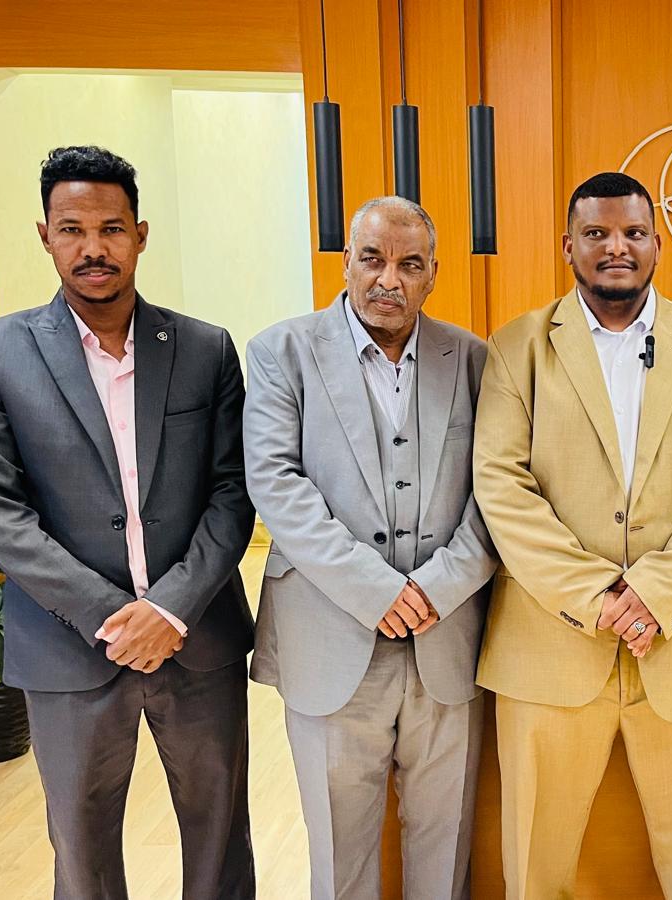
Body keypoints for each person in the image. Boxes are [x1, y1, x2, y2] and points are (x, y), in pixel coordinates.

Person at [0, 145, 255, 899]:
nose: (93, 248)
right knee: (81, 852)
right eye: (72, 229)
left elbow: (233, 492)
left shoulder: (205, 349)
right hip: (68, 648)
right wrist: (113, 617)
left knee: (220, 841)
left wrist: (170, 609)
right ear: (45, 237)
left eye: (111, 229)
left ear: (140, 235)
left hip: (197, 639)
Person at [473, 171, 672, 899]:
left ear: (657, 245)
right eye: (597, 233)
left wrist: (658, 592)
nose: (616, 248)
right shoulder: (517, 348)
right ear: (567, 245)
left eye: (634, 233)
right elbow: (501, 484)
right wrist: (599, 596)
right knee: (535, 868)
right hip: (549, 643)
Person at [243, 196, 497, 900]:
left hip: (446, 636)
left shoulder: (472, 359)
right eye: (373, 259)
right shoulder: (282, 353)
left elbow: (497, 492)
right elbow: (275, 483)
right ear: (347, 263)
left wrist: (437, 588)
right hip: (329, 637)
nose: (389, 279)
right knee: (340, 850)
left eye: (410, 265)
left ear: (433, 274)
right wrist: (378, 590)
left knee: (444, 845)